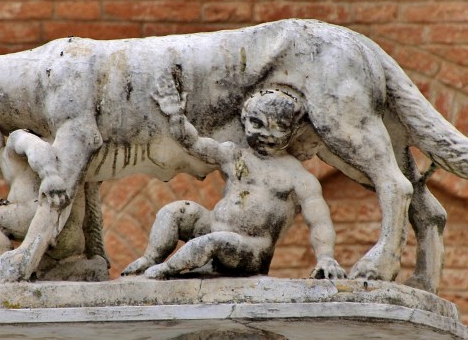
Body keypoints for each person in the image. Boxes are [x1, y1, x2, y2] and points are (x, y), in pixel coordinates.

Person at [122, 81, 345, 280]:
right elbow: (195, 144)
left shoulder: (297, 177)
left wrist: (326, 257)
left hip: (249, 251)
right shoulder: (234, 155)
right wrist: (175, 116)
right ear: (244, 121)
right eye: (257, 123)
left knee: (212, 242)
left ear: (293, 130)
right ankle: (150, 258)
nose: (266, 133)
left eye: (279, 127)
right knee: (176, 211)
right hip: (211, 226)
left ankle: (167, 270)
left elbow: (319, 221)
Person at [0, 122, 106, 276]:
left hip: (43, 219)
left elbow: (37, 147)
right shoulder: (10, 170)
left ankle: (11, 271)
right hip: (71, 236)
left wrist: (49, 174)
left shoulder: (12, 147)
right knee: (47, 271)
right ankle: (83, 267)